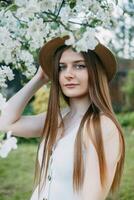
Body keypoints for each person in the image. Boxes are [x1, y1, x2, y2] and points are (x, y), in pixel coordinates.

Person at [0, 35, 125, 200]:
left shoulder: (102, 126)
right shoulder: (59, 116)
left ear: (96, 71)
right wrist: (39, 79)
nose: (68, 74)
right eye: (61, 67)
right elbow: (5, 122)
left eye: (79, 66)